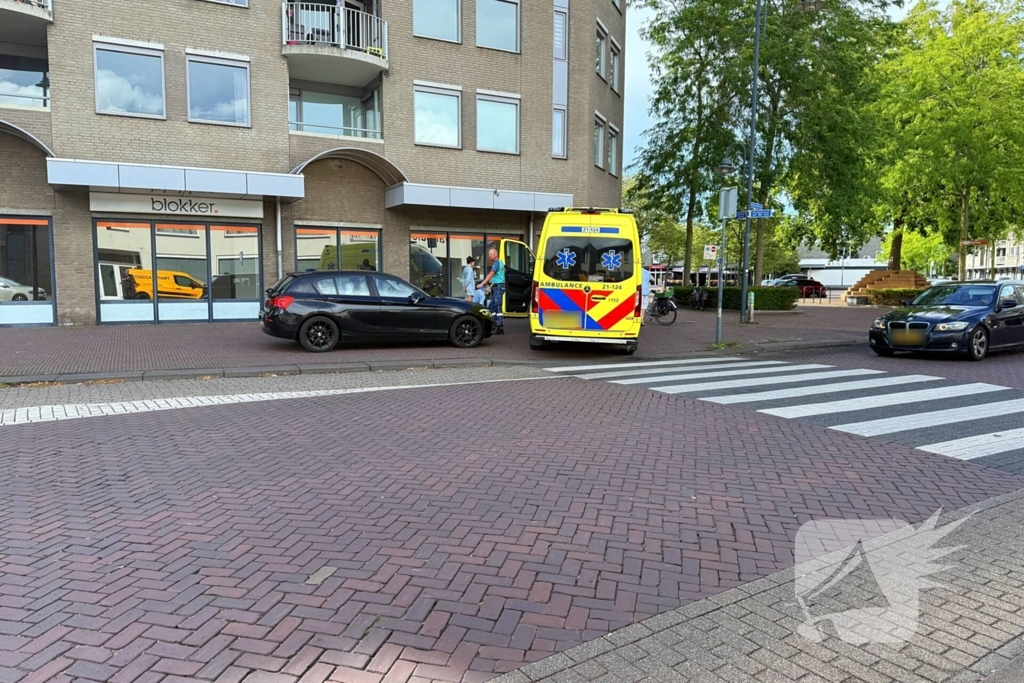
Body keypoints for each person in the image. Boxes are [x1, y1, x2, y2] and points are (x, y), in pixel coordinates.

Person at [478, 248, 506, 334]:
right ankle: (494, 324)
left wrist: (482, 284)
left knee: (497, 306)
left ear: (496, 254)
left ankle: (499, 326)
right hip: (497, 286)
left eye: (491, 254)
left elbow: (491, 274)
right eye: (489, 254)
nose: (489, 256)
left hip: (498, 287)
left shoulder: (496, 263)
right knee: (492, 306)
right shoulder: (500, 262)